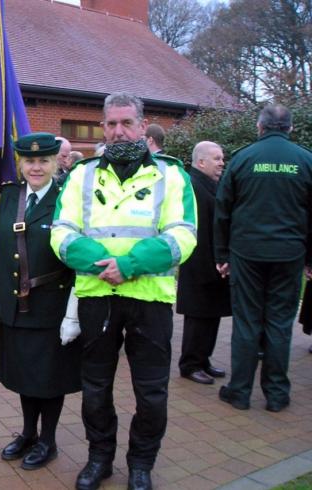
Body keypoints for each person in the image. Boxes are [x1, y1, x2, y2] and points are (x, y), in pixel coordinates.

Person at [51, 92, 197, 490]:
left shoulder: (171, 175)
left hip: (150, 300)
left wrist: (128, 266)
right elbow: (62, 233)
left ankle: (141, 464)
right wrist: (103, 264)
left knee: (151, 392)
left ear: (141, 124)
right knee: (95, 388)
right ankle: (99, 458)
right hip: (98, 298)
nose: (118, 131)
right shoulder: (82, 175)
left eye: (126, 123)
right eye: (111, 124)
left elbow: (183, 236)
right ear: (103, 127)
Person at [0, 132, 82, 471]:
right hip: (14, 305)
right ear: (20, 163)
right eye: (29, 161)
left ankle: (48, 440)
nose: (36, 167)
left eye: (44, 161)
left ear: (57, 162)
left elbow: (80, 261)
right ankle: (27, 432)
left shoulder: (69, 199)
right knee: (25, 374)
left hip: (53, 306)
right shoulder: (6, 197)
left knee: (49, 377)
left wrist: (73, 314)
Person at [214, 104, 312, 412]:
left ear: (260, 126)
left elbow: (223, 210)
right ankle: (277, 394)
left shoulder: (243, 158)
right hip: (289, 253)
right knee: (280, 322)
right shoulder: (306, 160)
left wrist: (222, 254)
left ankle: (240, 392)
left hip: (247, 253)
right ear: (290, 128)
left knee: (247, 322)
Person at [177, 142, 230, 384]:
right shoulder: (195, 187)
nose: (221, 162)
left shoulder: (209, 185)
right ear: (201, 162)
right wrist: (211, 266)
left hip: (213, 265)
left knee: (210, 316)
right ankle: (190, 364)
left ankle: (203, 359)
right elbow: (197, 232)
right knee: (198, 317)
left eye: (222, 158)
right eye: (217, 158)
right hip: (201, 267)